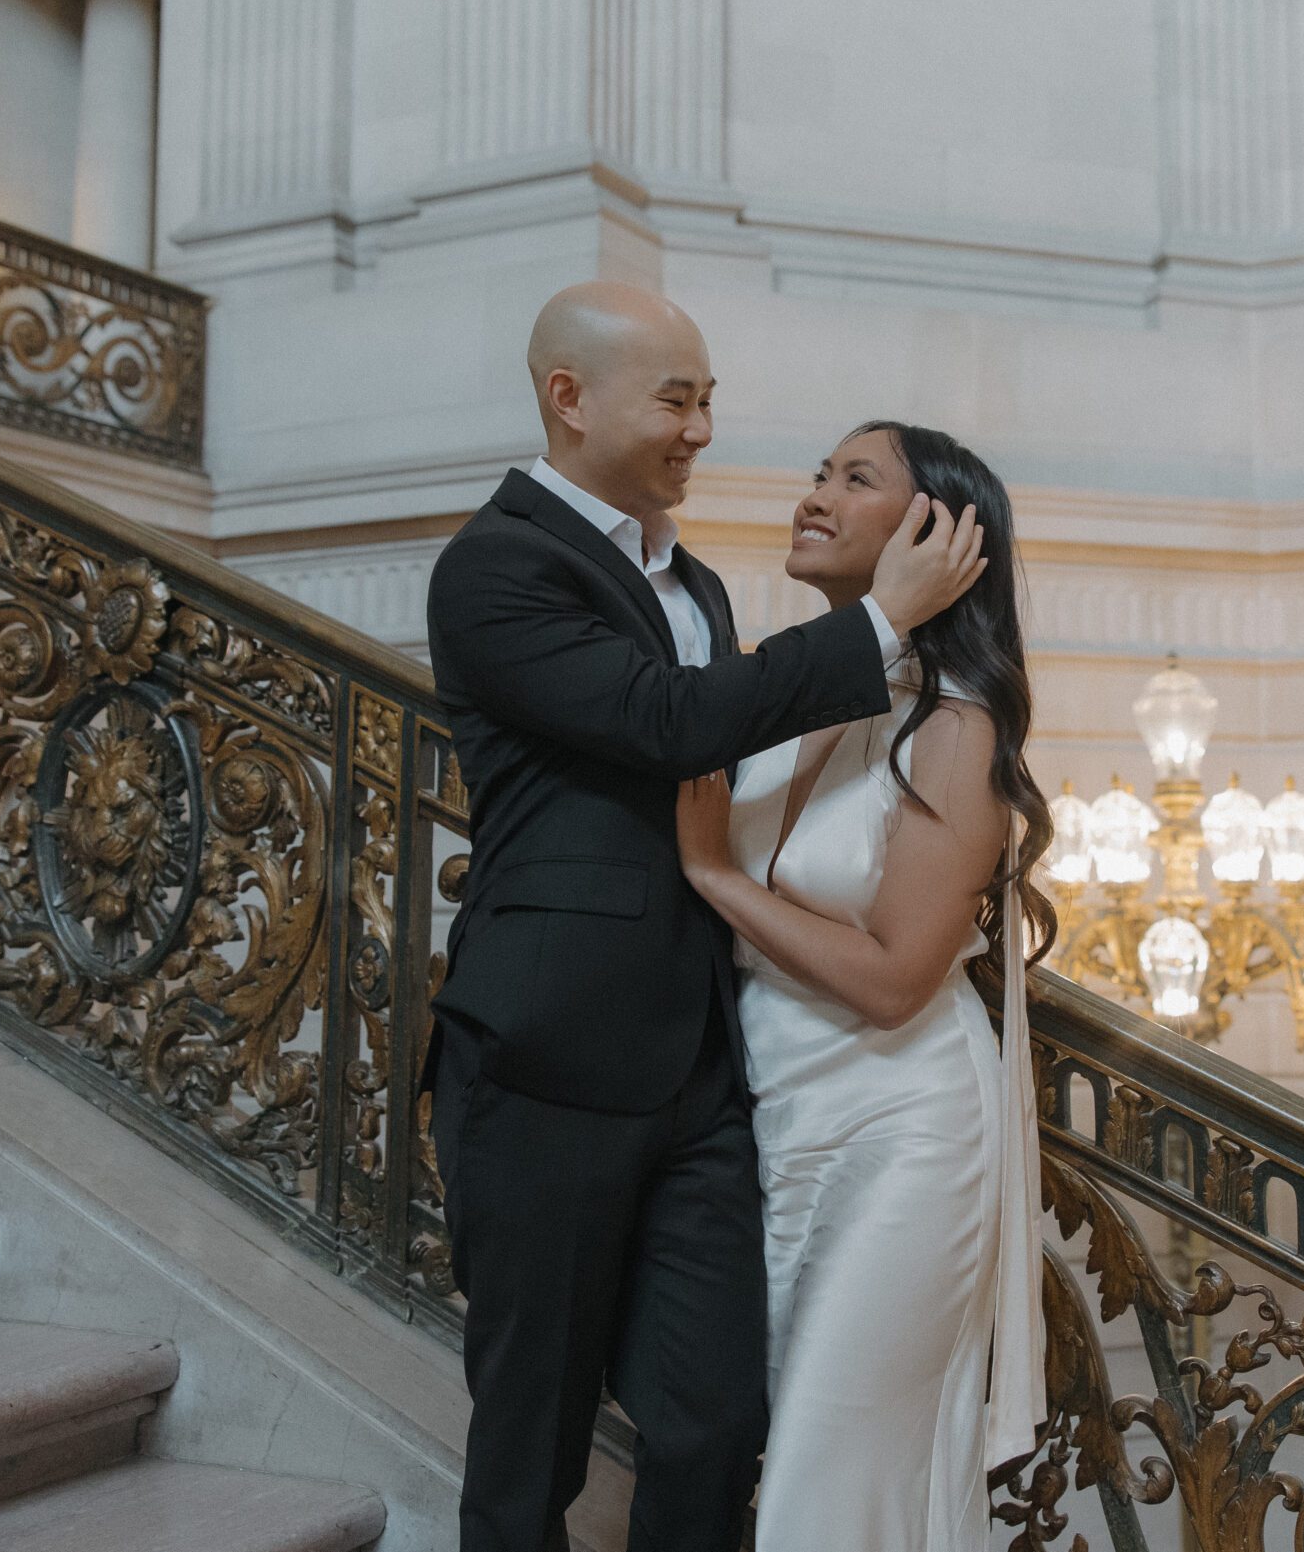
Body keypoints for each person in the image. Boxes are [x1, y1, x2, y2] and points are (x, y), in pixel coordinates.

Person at [422, 283, 986, 1552]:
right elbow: (668, 727)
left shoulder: (701, 585)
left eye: (708, 399)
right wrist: (881, 618)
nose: (702, 428)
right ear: (570, 398)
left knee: (710, 1424)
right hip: (544, 1062)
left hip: (703, 1082)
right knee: (532, 1448)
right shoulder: (496, 567)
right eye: (678, 398)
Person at [674, 420, 1053, 1550]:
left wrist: (707, 872)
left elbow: (896, 980)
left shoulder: (958, 723)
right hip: (773, 1114)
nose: (815, 495)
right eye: (816, 474)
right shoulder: (788, 685)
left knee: (827, 1478)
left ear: (936, 530)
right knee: (787, 1445)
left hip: (904, 1127)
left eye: (855, 479)